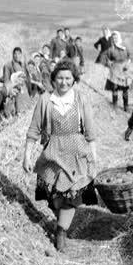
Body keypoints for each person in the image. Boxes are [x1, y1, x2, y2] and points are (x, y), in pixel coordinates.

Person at [23, 60, 98, 252]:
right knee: (54, 198)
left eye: (68, 78)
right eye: (60, 78)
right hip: (53, 153)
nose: (63, 82)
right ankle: (61, 222)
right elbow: (34, 129)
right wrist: (27, 155)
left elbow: (90, 132)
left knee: (71, 196)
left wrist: (94, 158)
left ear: (74, 80)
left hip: (76, 154)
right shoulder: (45, 100)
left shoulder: (81, 99)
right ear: (53, 79)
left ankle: (61, 231)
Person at [103, 31, 132, 111]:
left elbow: (129, 58)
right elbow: (107, 59)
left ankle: (126, 106)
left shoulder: (125, 48)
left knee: (125, 88)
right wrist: (108, 63)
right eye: (113, 38)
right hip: (115, 70)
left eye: (116, 37)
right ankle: (115, 105)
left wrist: (128, 64)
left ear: (119, 37)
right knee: (114, 88)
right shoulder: (111, 49)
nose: (114, 39)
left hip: (124, 70)